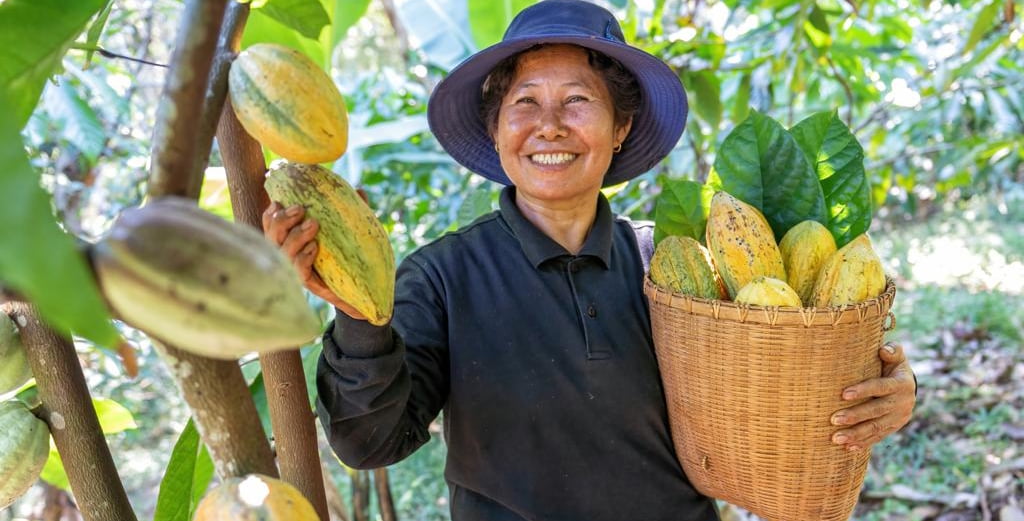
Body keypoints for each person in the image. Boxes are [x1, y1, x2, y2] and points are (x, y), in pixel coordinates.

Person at [262, 1, 917, 519]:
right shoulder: (442, 275)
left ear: (620, 127)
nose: (549, 125)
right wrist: (358, 315)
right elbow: (369, 441)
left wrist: (886, 388)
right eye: (524, 103)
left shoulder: (675, 265)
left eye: (577, 101)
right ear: (496, 130)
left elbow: (782, 377)